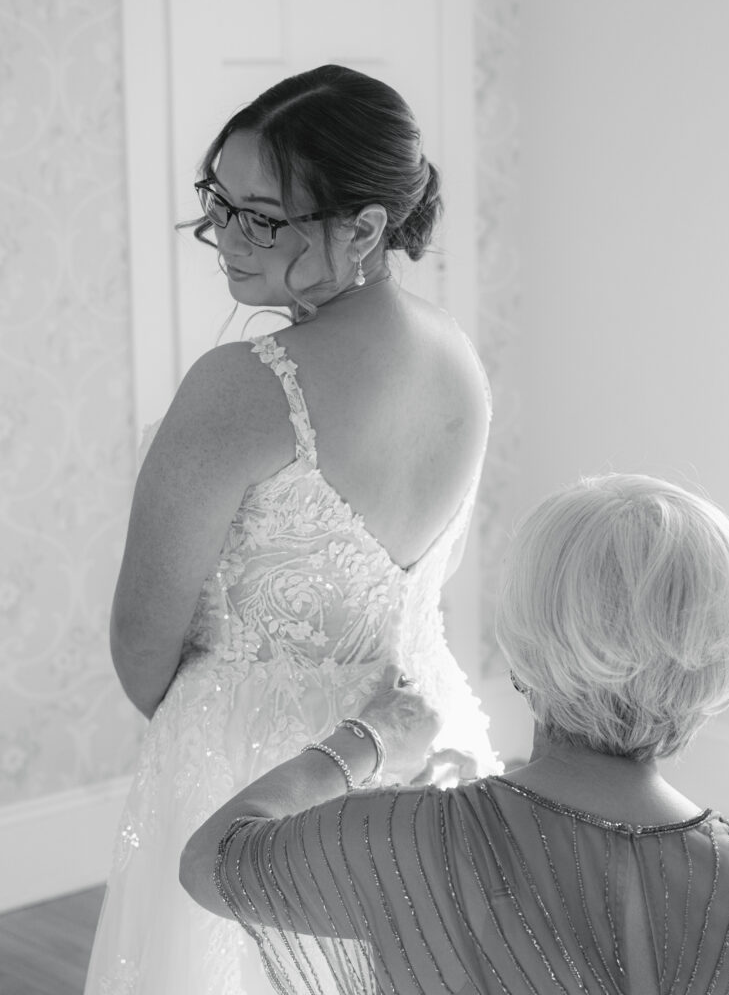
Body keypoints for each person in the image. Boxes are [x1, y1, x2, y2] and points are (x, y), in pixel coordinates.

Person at [84, 64, 500, 995]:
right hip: (418, 743)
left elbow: (140, 642)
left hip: (248, 785)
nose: (223, 238)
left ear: (365, 229)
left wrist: (210, 728)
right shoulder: (456, 355)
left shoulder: (241, 387)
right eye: (219, 201)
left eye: (263, 219)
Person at [181, 474, 729, 995]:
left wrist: (367, 738)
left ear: (524, 653)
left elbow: (211, 860)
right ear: (719, 665)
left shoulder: (406, 837)